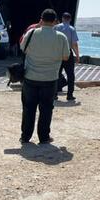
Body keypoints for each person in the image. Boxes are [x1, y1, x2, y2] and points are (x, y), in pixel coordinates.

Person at [19, 9, 69, 144]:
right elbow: (65, 56)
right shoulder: (61, 37)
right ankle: (44, 137)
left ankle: (25, 137)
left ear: (41, 19)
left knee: (28, 108)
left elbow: (23, 48)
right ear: (55, 21)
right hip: (50, 78)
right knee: (46, 109)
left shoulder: (31, 33)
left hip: (30, 77)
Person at [55, 12, 80, 101]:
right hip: (67, 53)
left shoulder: (56, 27)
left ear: (62, 18)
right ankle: (69, 95)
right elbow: (74, 44)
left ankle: (54, 94)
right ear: (70, 19)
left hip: (57, 54)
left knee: (56, 74)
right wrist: (77, 55)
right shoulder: (71, 29)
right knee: (70, 75)